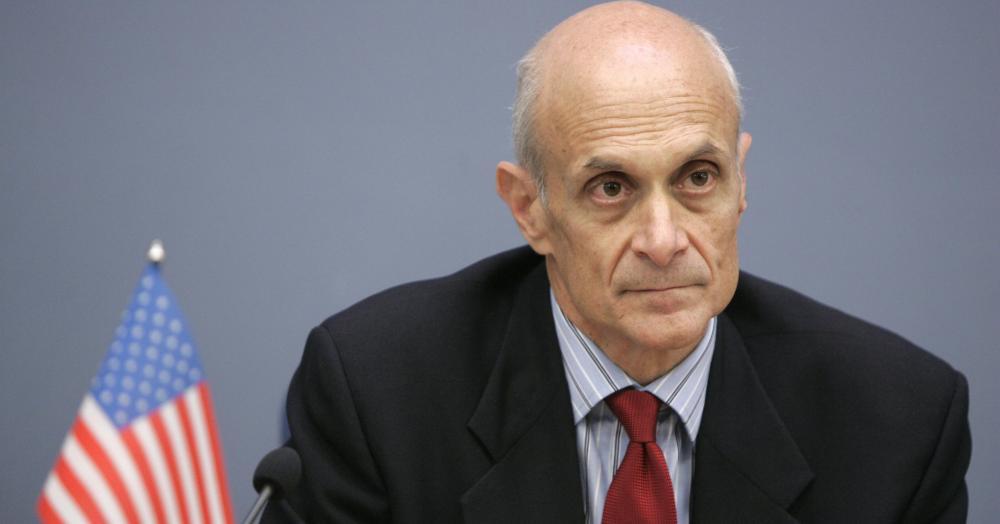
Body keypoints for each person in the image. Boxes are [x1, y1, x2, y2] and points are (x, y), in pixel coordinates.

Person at [266, 2, 970, 522]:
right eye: (611, 188)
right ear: (529, 209)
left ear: (740, 183)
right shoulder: (377, 395)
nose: (663, 241)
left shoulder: (895, 423)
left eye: (698, 177)